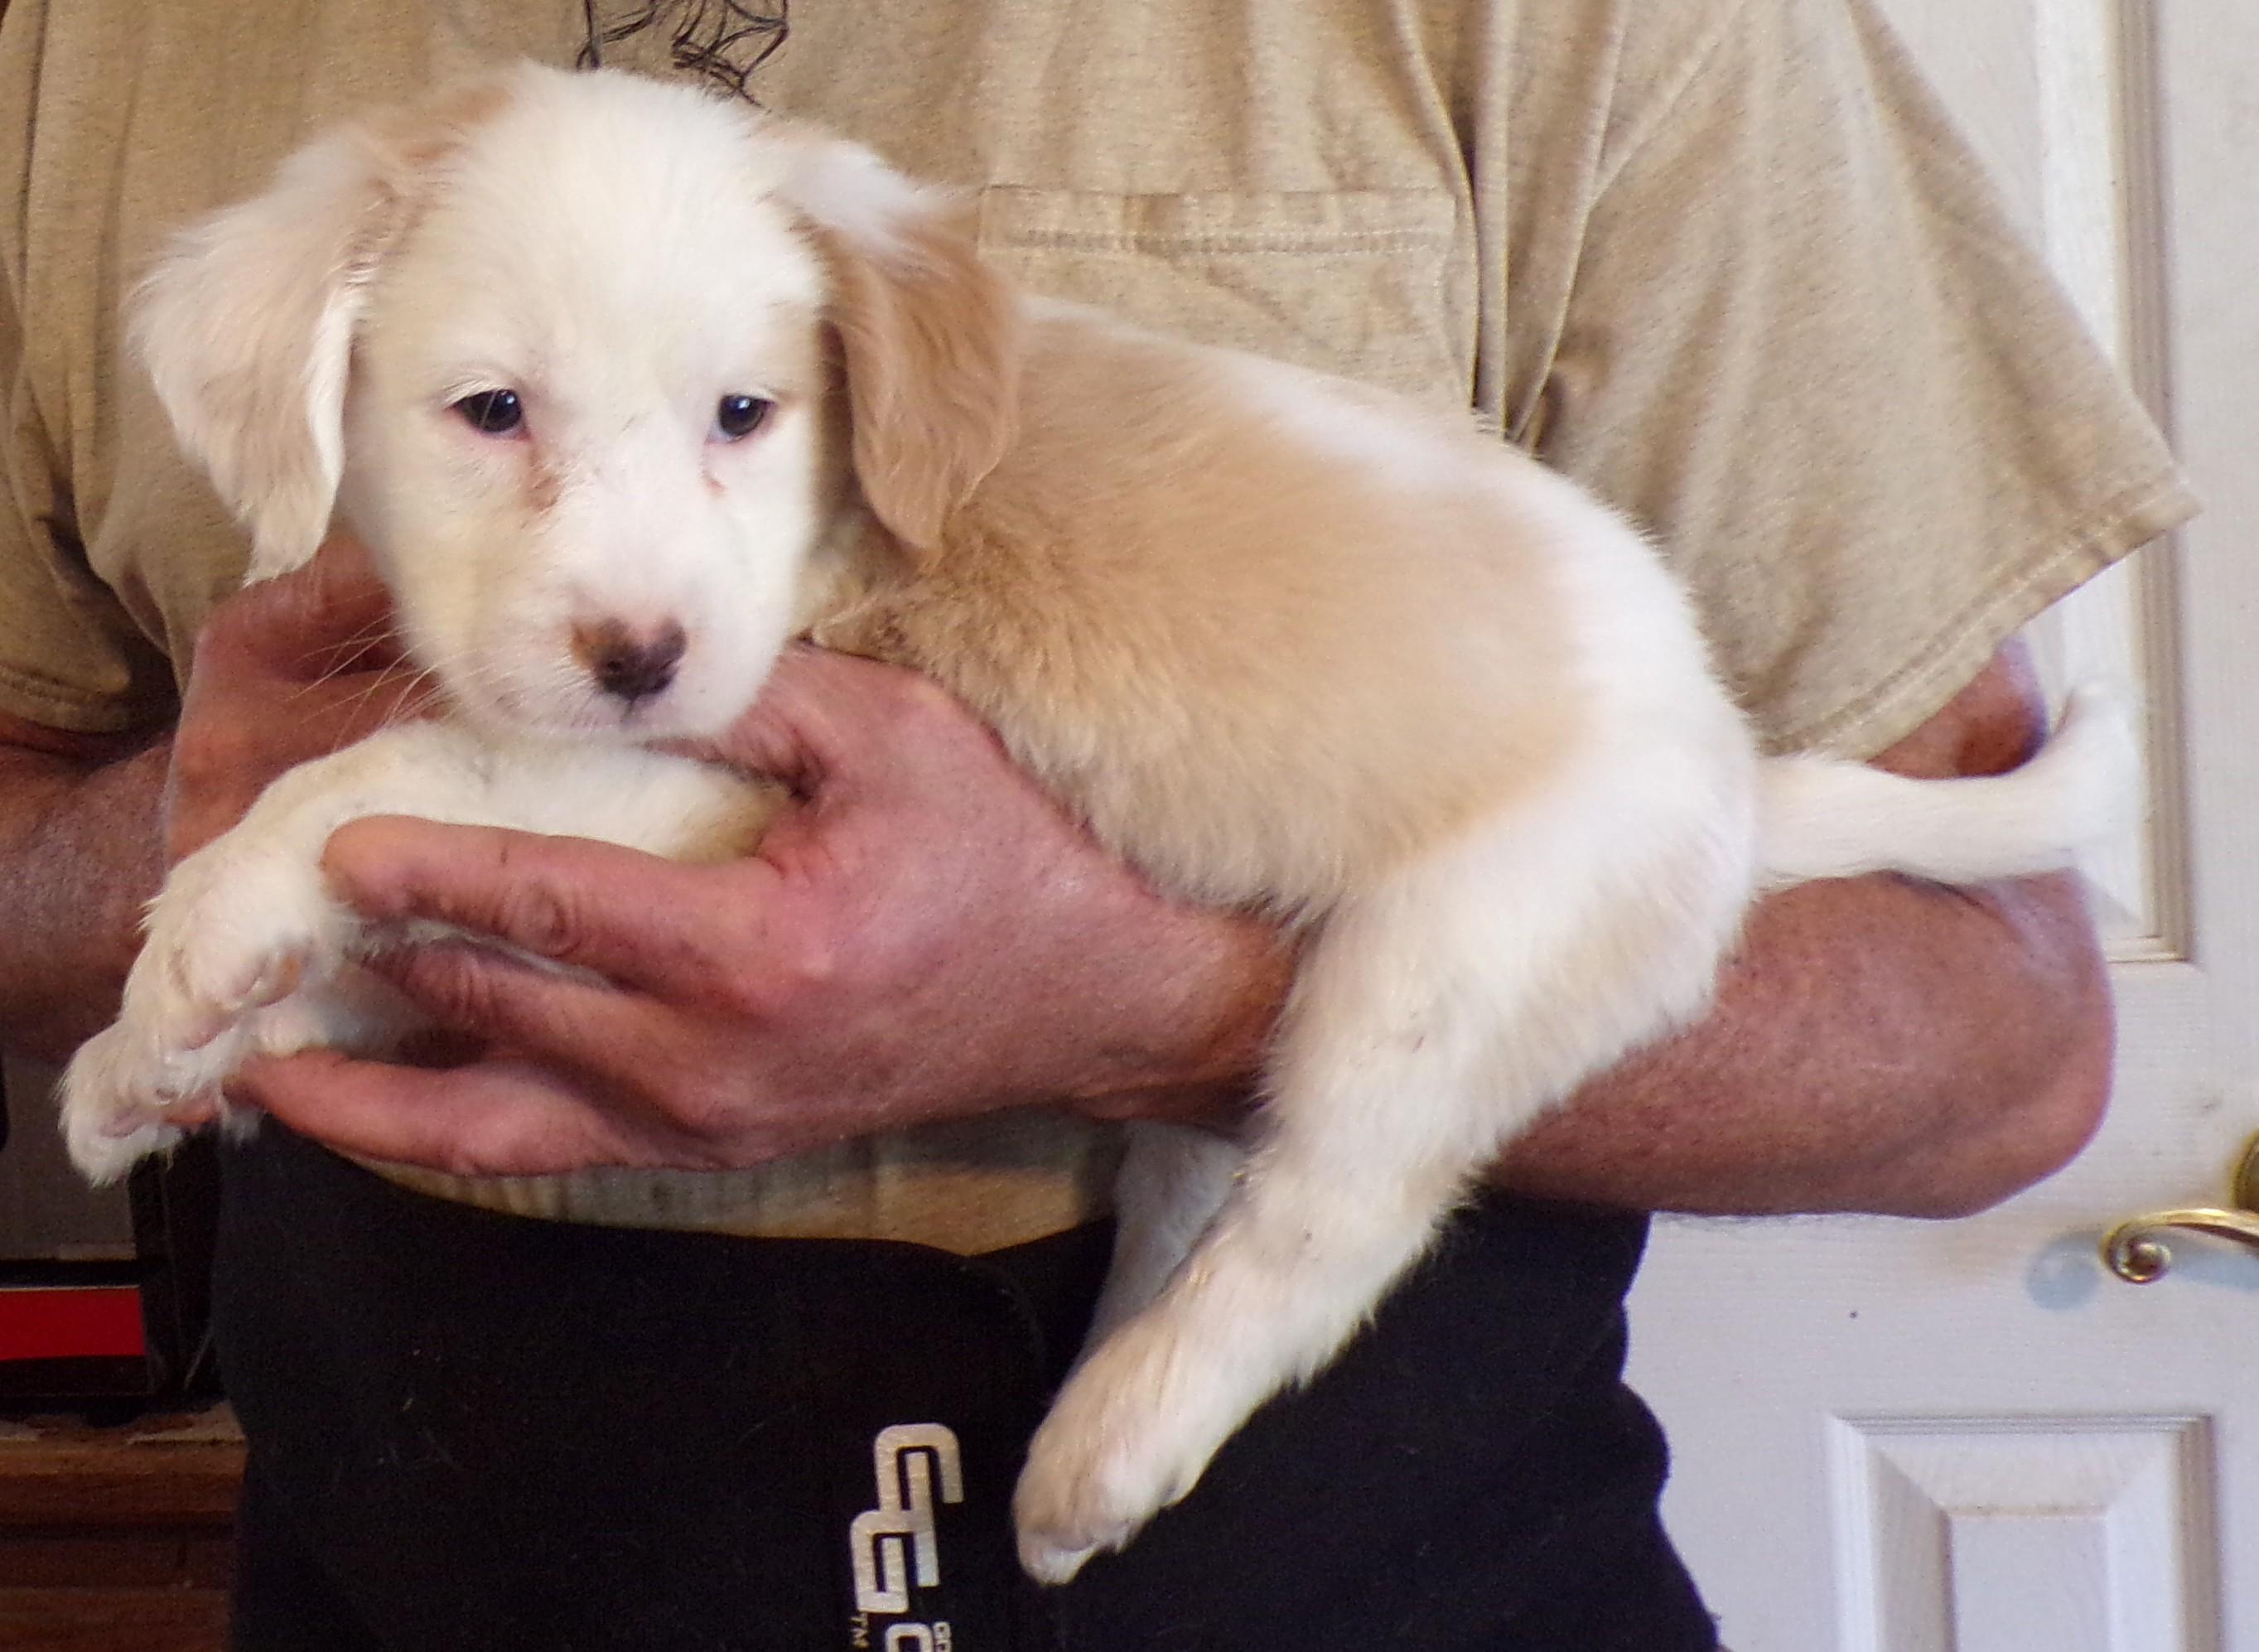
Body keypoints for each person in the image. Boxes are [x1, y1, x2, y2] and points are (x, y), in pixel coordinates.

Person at [0, 0, 2194, 1646]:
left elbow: (1996, 1032)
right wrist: (173, 840)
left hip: (1362, 1571)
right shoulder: (93, 48)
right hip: (408, 1552)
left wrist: (1160, 1001)